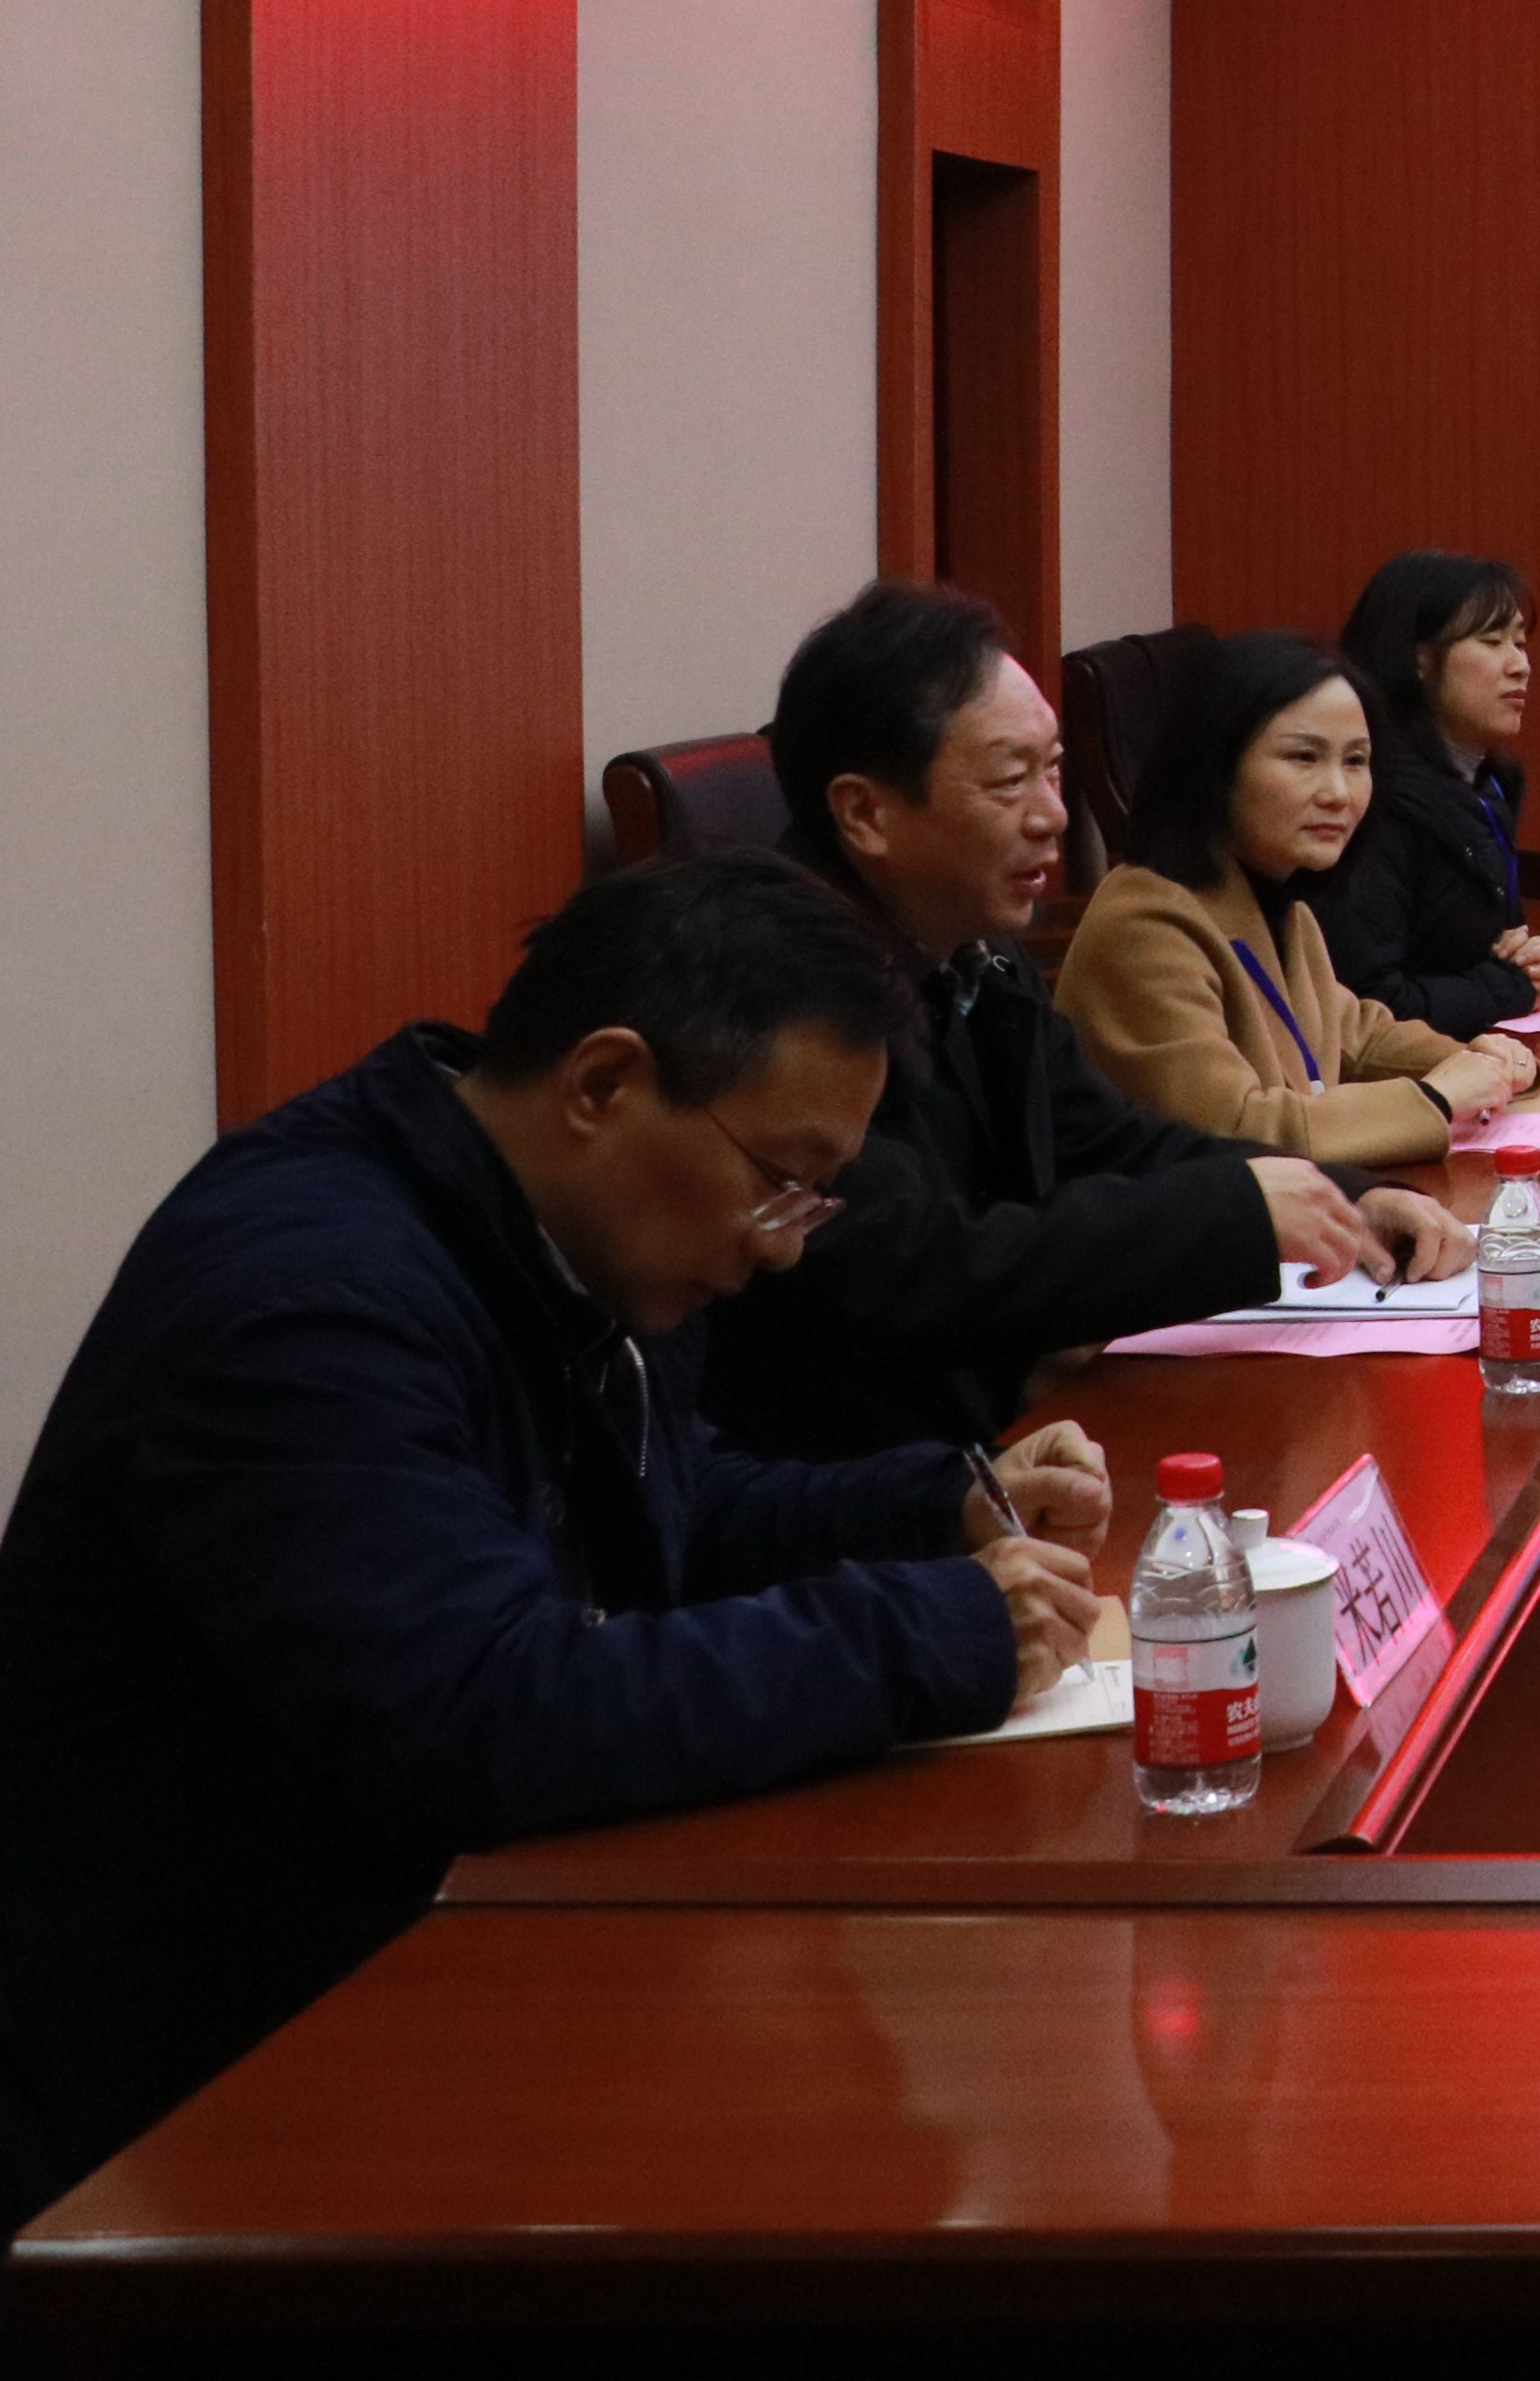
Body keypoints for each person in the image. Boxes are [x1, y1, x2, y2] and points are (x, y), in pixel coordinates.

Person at [0, 854, 1115, 2223]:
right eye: (781, 1181)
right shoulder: (306, 1300)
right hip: (194, 2104)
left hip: (429, 1985)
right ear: (603, 1083)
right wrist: (925, 1632)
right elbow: (479, 1715)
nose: (783, 1247)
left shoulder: (564, 1233)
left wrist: (935, 1502)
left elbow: (664, 1500)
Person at [708, 583, 1463, 1457]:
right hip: (873, 1472)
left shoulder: (976, 958)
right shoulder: (786, 997)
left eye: (1055, 769)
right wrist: (1233, 1218)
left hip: (1013, 1440)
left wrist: (1347, 1198)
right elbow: (919, 1267)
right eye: (1010, 781)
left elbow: (1115, 1140)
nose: (1055, 816)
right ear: (865, 813)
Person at [1061, 632, 1533, 1166]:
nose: (1338, 792)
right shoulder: (1144, 924)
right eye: (1303, 757)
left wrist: (1483, 1062)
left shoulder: (1280, 900)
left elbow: (1360, 1038)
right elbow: (1232, 1130)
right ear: (1216, 765)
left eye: (1356, 761)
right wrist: (1437, 1097)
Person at [1323, 550, 1540, 1040]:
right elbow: (1371, 1004)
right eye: (1492, 641)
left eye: (1520, 643)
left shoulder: (1489, 784)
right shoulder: (1374, 802)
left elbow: (1491, 951)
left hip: (1474, 1053)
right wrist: (1507, 985)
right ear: (1418, 658)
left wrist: (1526, 960)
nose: (1521, 666)